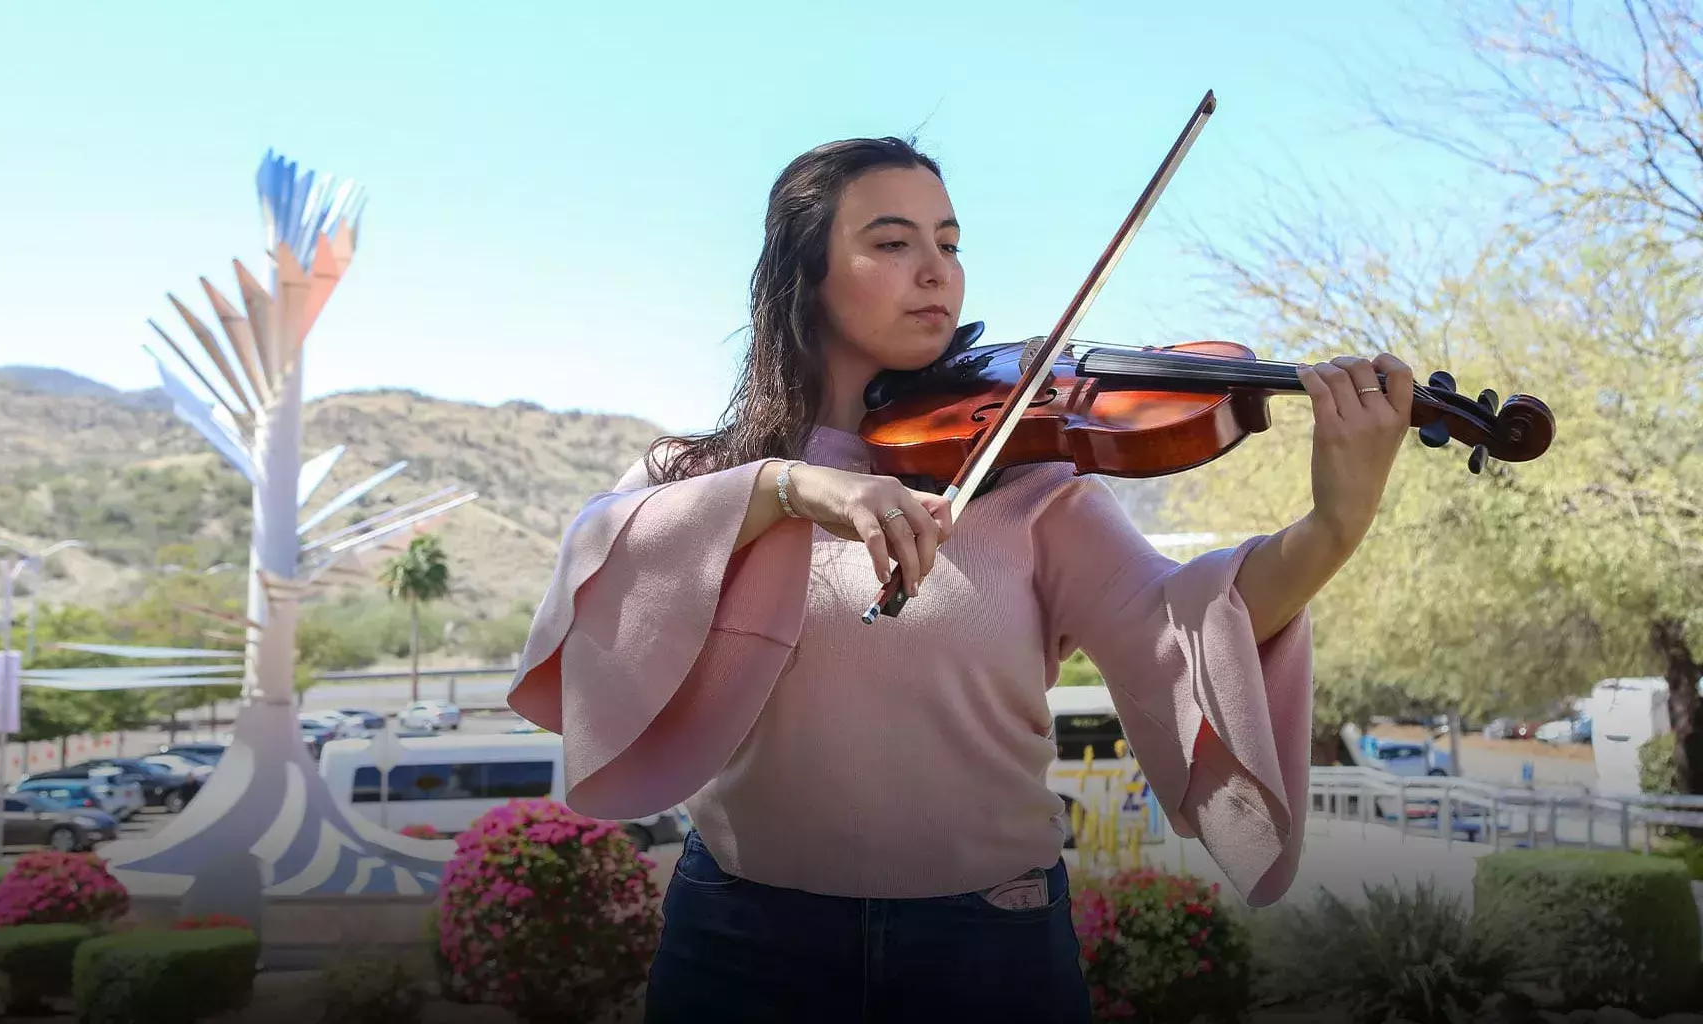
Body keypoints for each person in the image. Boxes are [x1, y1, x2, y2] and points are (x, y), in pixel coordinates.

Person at [507, 136, 1414, 1023]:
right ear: (804, 276)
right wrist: (788, 487)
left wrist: (1336, 524)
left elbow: (1185, 625)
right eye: (893, 243)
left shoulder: (1032, 486)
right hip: (742, 935)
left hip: (989, 940)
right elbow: (605, 552)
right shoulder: (701, 480)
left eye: (949, 243)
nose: (937, 271)